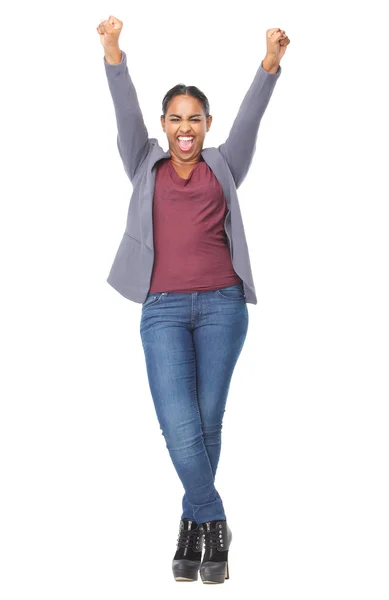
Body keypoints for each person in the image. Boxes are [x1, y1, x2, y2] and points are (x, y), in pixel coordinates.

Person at [97, 15, 289, 584]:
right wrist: (113, 51)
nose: (185, 129)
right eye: (175, 120)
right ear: (163, 124)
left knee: (205, 424)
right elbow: (123, 110)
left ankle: (189, 526)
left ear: (207, 125)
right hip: (161, 310)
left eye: (195, 120)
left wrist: (269, 65)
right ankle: (214, 519)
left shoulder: (225, 165)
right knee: (180, 428)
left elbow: (252, 118)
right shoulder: (143, 163)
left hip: (223, 307)